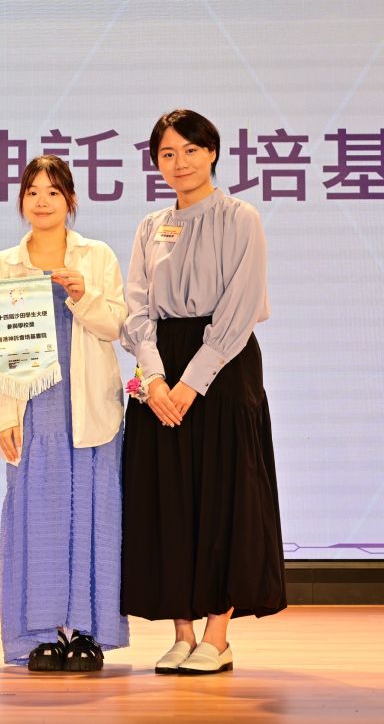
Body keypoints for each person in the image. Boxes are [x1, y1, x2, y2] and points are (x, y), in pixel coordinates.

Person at [120, 109, 286, 675]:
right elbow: (136, 308)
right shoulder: (150, 226)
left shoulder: (240, 217)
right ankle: (182, 632)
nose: (180, 163)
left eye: (190, 150)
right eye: (167, 154)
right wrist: (154, 379)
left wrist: (191, 382)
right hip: (160, 367)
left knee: (224, 496)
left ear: (212, 152)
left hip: (224, 364)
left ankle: (217, 635)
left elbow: (241, 306)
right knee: (168, 498)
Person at [0, 155, 130, 672]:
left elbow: (118, 326)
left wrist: (82, 295)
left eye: (52, 192)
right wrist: (4, 414)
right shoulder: (5, 264)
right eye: (32, 192)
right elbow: (0, 345)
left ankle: (88, 632)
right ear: (21, 201)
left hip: (91, 403)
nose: (41, 201)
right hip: (35, 407)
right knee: (37, 514)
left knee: (93, 512)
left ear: (71, 200)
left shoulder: (97, 256)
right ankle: (40, 633)